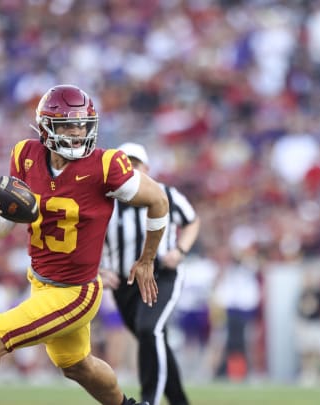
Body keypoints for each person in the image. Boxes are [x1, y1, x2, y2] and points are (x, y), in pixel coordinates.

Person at [0, 84, 169, 405]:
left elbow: (159, 201)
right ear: (46, 127)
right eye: (68, 124)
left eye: (83, 124)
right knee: (77, 365)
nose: (78, 132)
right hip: (39, 281)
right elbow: (0, 231)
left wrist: (147, 258)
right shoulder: (25, 156)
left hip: (75, 291)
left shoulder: (106, 166)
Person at [101, 142, 200, 405]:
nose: (131, 168)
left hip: (160, 276)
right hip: (124, 284)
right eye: (126, 163)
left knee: (149, 331)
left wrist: (180, 250)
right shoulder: (104, 200)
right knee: (155, 342)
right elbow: (82, 240)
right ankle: (179, 401)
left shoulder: (164, 192)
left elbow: (191, 221)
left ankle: (149, 400)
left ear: (147, 168)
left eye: (136, 163)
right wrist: (97, 271)